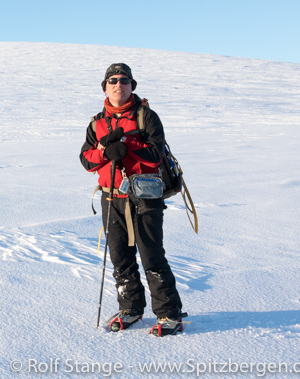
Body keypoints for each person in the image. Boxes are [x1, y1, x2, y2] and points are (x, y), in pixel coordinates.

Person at [79, 63, 185, 336]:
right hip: (112, 197)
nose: (118, 84)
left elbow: (155, 154)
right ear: (105, 86)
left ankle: (169, 315)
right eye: (112, 80)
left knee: (152, 256)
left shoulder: (146, 117)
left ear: (131, 86)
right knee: (120, 258)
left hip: (144, 198)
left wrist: (127, 143)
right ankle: (131, 309)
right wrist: (105, 152)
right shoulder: (96, 123)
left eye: (124, 80)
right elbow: (86, 160)